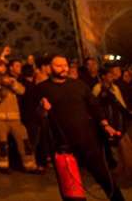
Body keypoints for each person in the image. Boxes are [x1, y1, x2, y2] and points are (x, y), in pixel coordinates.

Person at [37, 55, 125, 201]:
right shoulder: (42, 88)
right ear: (49, 67)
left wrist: (105, 124)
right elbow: (36, 116)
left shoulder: (78, 85)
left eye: (65, 65)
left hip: (88, 141)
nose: (63, 68)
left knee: (105, 178)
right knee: (70, 187)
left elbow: (94, 106)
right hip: (63, 146)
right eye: (58, 65)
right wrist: (43, 110)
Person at [0, 60, 37, 172]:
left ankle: (30, 165)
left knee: (24, 141)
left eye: (3, 66)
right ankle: (2, 165)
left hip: (15, 118)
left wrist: (12, 84)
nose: (2, 69)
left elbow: (22, 91)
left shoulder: (12, 81)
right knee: (1, 143)